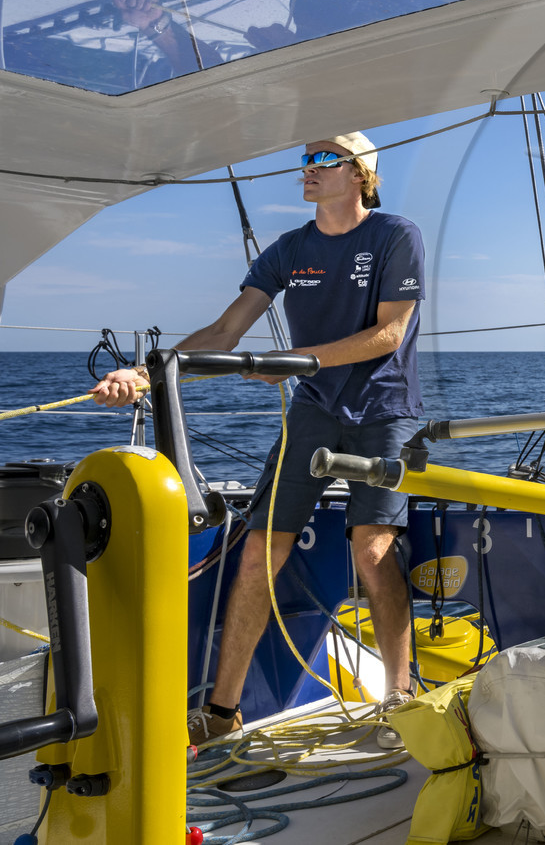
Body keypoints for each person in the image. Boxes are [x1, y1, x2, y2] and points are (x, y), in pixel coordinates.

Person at [92, 130, 425, 747]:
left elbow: (388, 335)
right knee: (256, 552)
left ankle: (399, 700)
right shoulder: (286, 250)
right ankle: (221, 712)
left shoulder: (394, 235)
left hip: (383, 411)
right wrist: (144, 373)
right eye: (306, 159)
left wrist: (298, 358)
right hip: (314, 411)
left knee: (371, 552)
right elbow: (224, 329)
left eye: (325, 159)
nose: (308, 167)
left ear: (361, 176)